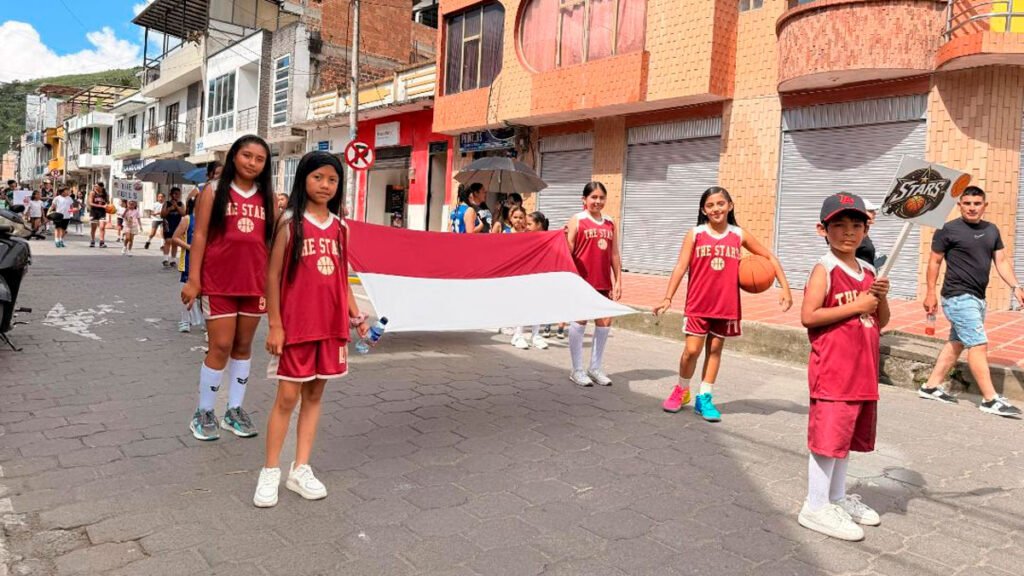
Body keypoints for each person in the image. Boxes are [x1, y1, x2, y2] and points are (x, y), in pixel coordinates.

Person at [254, 151, 369, 508]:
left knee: (315, 397)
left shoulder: (340, 227)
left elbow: (341, 276)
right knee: (287, 398)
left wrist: (356, 315)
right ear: (303, 178)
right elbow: (272, 276)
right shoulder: (291, 223)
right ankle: (270, 470)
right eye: (318, 177)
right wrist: (274, 325)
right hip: (295, 326)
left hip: (330, 326)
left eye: (332, 180)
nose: (325, 185)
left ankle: (299, 468)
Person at [653, 186, 793, 421]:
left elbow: (769, 257)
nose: (716, 208)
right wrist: (667, 297)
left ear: (730, 205)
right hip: (698, 302)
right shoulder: (696, 234)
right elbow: (680, 267)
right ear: (703, 210)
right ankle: (682, 389)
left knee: (715, 350)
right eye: (710, 205)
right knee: (691, 351)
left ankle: (705, 397)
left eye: (720, 203)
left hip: (726, 305)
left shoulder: (738, 234)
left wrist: (785, 288)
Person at [797, 192, 890, 542]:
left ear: (866, 230)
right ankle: (815, 505)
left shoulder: (868, 270)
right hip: (834, 371)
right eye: (839, 225)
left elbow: (881, 320)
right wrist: (857, 305)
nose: (848, 232)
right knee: (826, 441)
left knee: (844, 440)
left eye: (856, 225)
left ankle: (836, 499)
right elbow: (809, 316)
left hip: (861, 371)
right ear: (823, 229)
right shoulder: (825, 268)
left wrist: (879, 297)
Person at [181, 135, 277, 441]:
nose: (252, 163)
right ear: (234, 156)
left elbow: (272, 242)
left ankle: (234, 410)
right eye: (246, 155)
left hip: (254, 283)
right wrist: (194, 280)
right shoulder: (212, 191)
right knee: (220, 346)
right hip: (219, 282)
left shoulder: (269, 198)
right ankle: (204, 411)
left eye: (259, 159)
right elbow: (200, 236)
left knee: (243, 347)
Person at [918, 186, 1023, 417]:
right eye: (967, 203)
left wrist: (1015, 286)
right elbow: (934, 262)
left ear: (984, 205)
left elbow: (1002, 261)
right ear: (960, 205)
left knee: (957, 342)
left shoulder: (992, 230)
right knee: (978, 343)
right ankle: (990, 399)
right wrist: (930, 292)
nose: (972, 207)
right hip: (957, 296)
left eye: (977, 203)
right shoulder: (948, 230)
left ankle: (930, 386)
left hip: (978, 298)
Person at [565, 182, 622, 387]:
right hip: (581, 281)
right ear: (584, 199)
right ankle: (577, 369)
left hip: (603, 281)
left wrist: (618, 281)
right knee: (579, 322)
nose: (597, 201)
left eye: (601, 198)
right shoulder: (578, 220)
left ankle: (595, 367)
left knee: (605, 323)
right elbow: (568, 249)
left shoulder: (609, 222)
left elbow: (614, 253)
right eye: (593, 197)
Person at [510, 208, 549, 351]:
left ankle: (535, 335)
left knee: (538, 305)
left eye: (529, 224)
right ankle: (518, 334)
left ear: (539, 225)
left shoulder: (547, 239)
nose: (525, 227)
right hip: (524, 276)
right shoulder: (524, 238)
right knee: (523, 304)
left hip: (540, 276)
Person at [171, 202, 205, 334]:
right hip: (188, 261)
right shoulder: (187, 219)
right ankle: (185, 320)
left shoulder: (210, 220)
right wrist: (190, 247)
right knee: (186, 292)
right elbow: (175, 238)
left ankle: (205, 321)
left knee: (204, 294)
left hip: (205, 261)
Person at [161, 188, 185, 268]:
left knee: (175, 242)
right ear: (171, 194)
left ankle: (173, 260)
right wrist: (169, 209)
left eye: (178, 194)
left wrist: (177, 207)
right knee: (168, 240)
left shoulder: (181, 204)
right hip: (168, 224)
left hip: (177, 225)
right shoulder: (166, 203)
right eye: (175, 193)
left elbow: (183, 214)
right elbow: (162, 215)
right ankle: (165, 259)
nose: (177, 195)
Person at [87, 183, 109, 248]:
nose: (95, 187)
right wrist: (102, 206)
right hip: (94, 212)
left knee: (102, 227)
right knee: (93, 228)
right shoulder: (92, 193)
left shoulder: (105, 194)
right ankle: (92, 240)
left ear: (101, 187)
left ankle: (102, 242)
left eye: (97, 186)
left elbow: (108, 202)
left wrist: (108, 206)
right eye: (95, 186)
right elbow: (90, 203)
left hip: (102, 212)